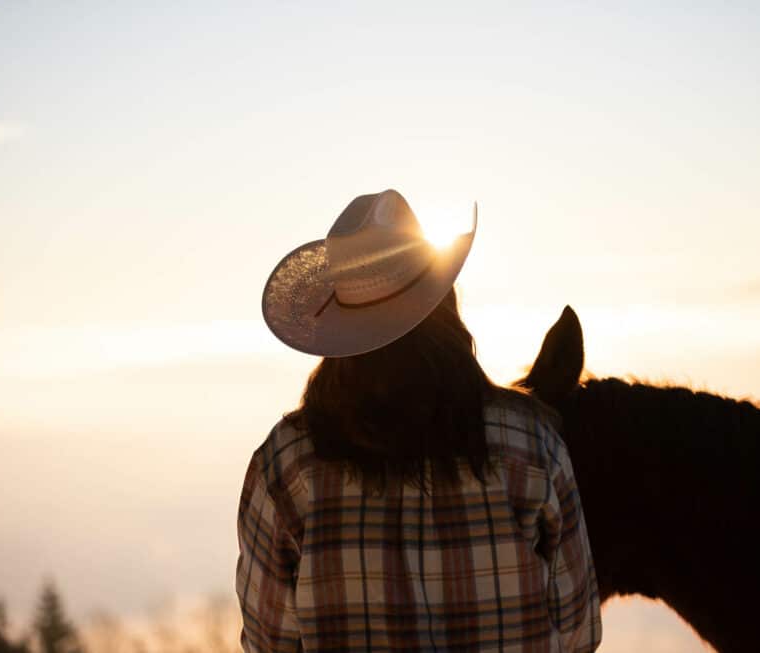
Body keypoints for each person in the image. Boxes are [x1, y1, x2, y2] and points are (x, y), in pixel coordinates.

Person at [237, 189, 601, 652]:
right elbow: (578, 632)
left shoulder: (286, 464)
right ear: (444, 304)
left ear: (338, 333)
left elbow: (270, 643)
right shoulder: (532, 445)